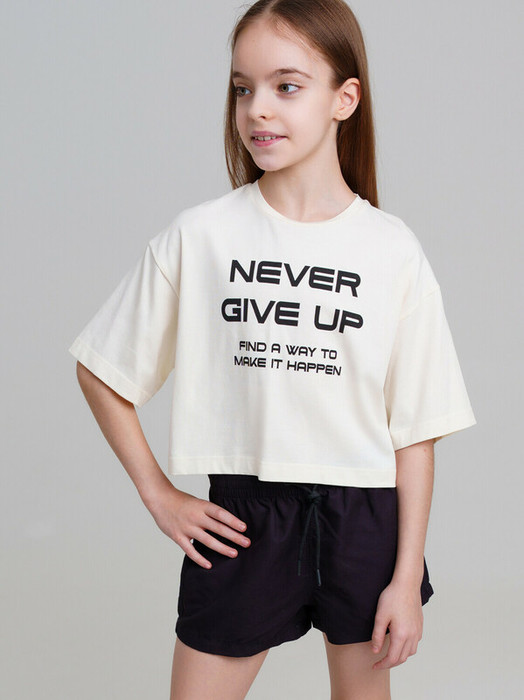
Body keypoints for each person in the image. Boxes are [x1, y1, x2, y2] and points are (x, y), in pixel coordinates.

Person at [68, 1, 477, 698]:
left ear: (345, 99)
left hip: (363, 519)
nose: (257, 108)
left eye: (286, 86)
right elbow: (102, 369)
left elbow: (416, 434)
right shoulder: (202, 237)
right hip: (245, 518)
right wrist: (159, 494)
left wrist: (406, 577)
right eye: (242, 88)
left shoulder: (392, 250)